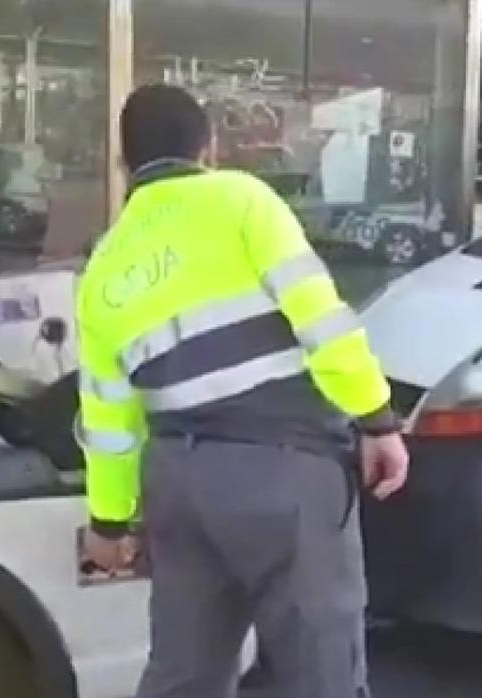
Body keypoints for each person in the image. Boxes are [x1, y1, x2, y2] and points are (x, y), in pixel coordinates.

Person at [75, 84, 409, 698]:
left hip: (177, 483)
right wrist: (377, 419)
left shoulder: (104, 263)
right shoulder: (241, 200)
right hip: (282, 472)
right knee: (321, 667)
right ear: (209, 148)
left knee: (185, 673)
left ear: (125, 165)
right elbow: (320, 318)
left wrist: (110, 520)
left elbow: (107, 419)